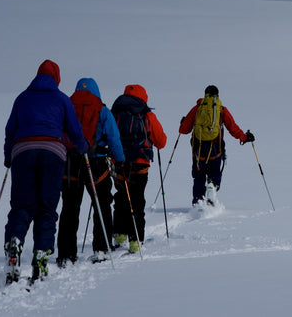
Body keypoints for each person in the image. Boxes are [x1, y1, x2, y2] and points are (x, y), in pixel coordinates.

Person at [3, 60, 89, 284]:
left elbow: (11, 129)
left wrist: (8, 155)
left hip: (22, 151)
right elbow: (74, 130)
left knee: (22, 205)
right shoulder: (61, 99)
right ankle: (41, 253)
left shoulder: (22, 98)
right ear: (57, 78)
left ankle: (14, 241)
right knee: (46, 207)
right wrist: (82, 147)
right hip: (53, 152)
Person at [56, 78, 125, 266]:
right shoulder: (102, 110)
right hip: (96, 164)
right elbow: (114, 138)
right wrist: (120, 160)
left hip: (71, 162)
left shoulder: (67, 107)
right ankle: (102, 248)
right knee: (101, 204)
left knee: (70, 206)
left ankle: (65, 253)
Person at [110, 84, 167, 253]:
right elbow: (161, 142)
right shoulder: (147, 114)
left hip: (119, 163)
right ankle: (136, 240)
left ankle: (119, 234)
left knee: (121, 197)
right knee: (137, 199)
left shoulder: (115, 112)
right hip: (141, 164)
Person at [178, 85, 254, 207]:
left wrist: (183, 122)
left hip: (198, 151)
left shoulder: (197, 109)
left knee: (199, 177)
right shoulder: (221, 110)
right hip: (215, 148)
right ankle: (212, 186)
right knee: (214, 171)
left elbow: (184, 130)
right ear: (217, 95)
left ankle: (198, 203)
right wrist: (245, 137)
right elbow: (232, 128)